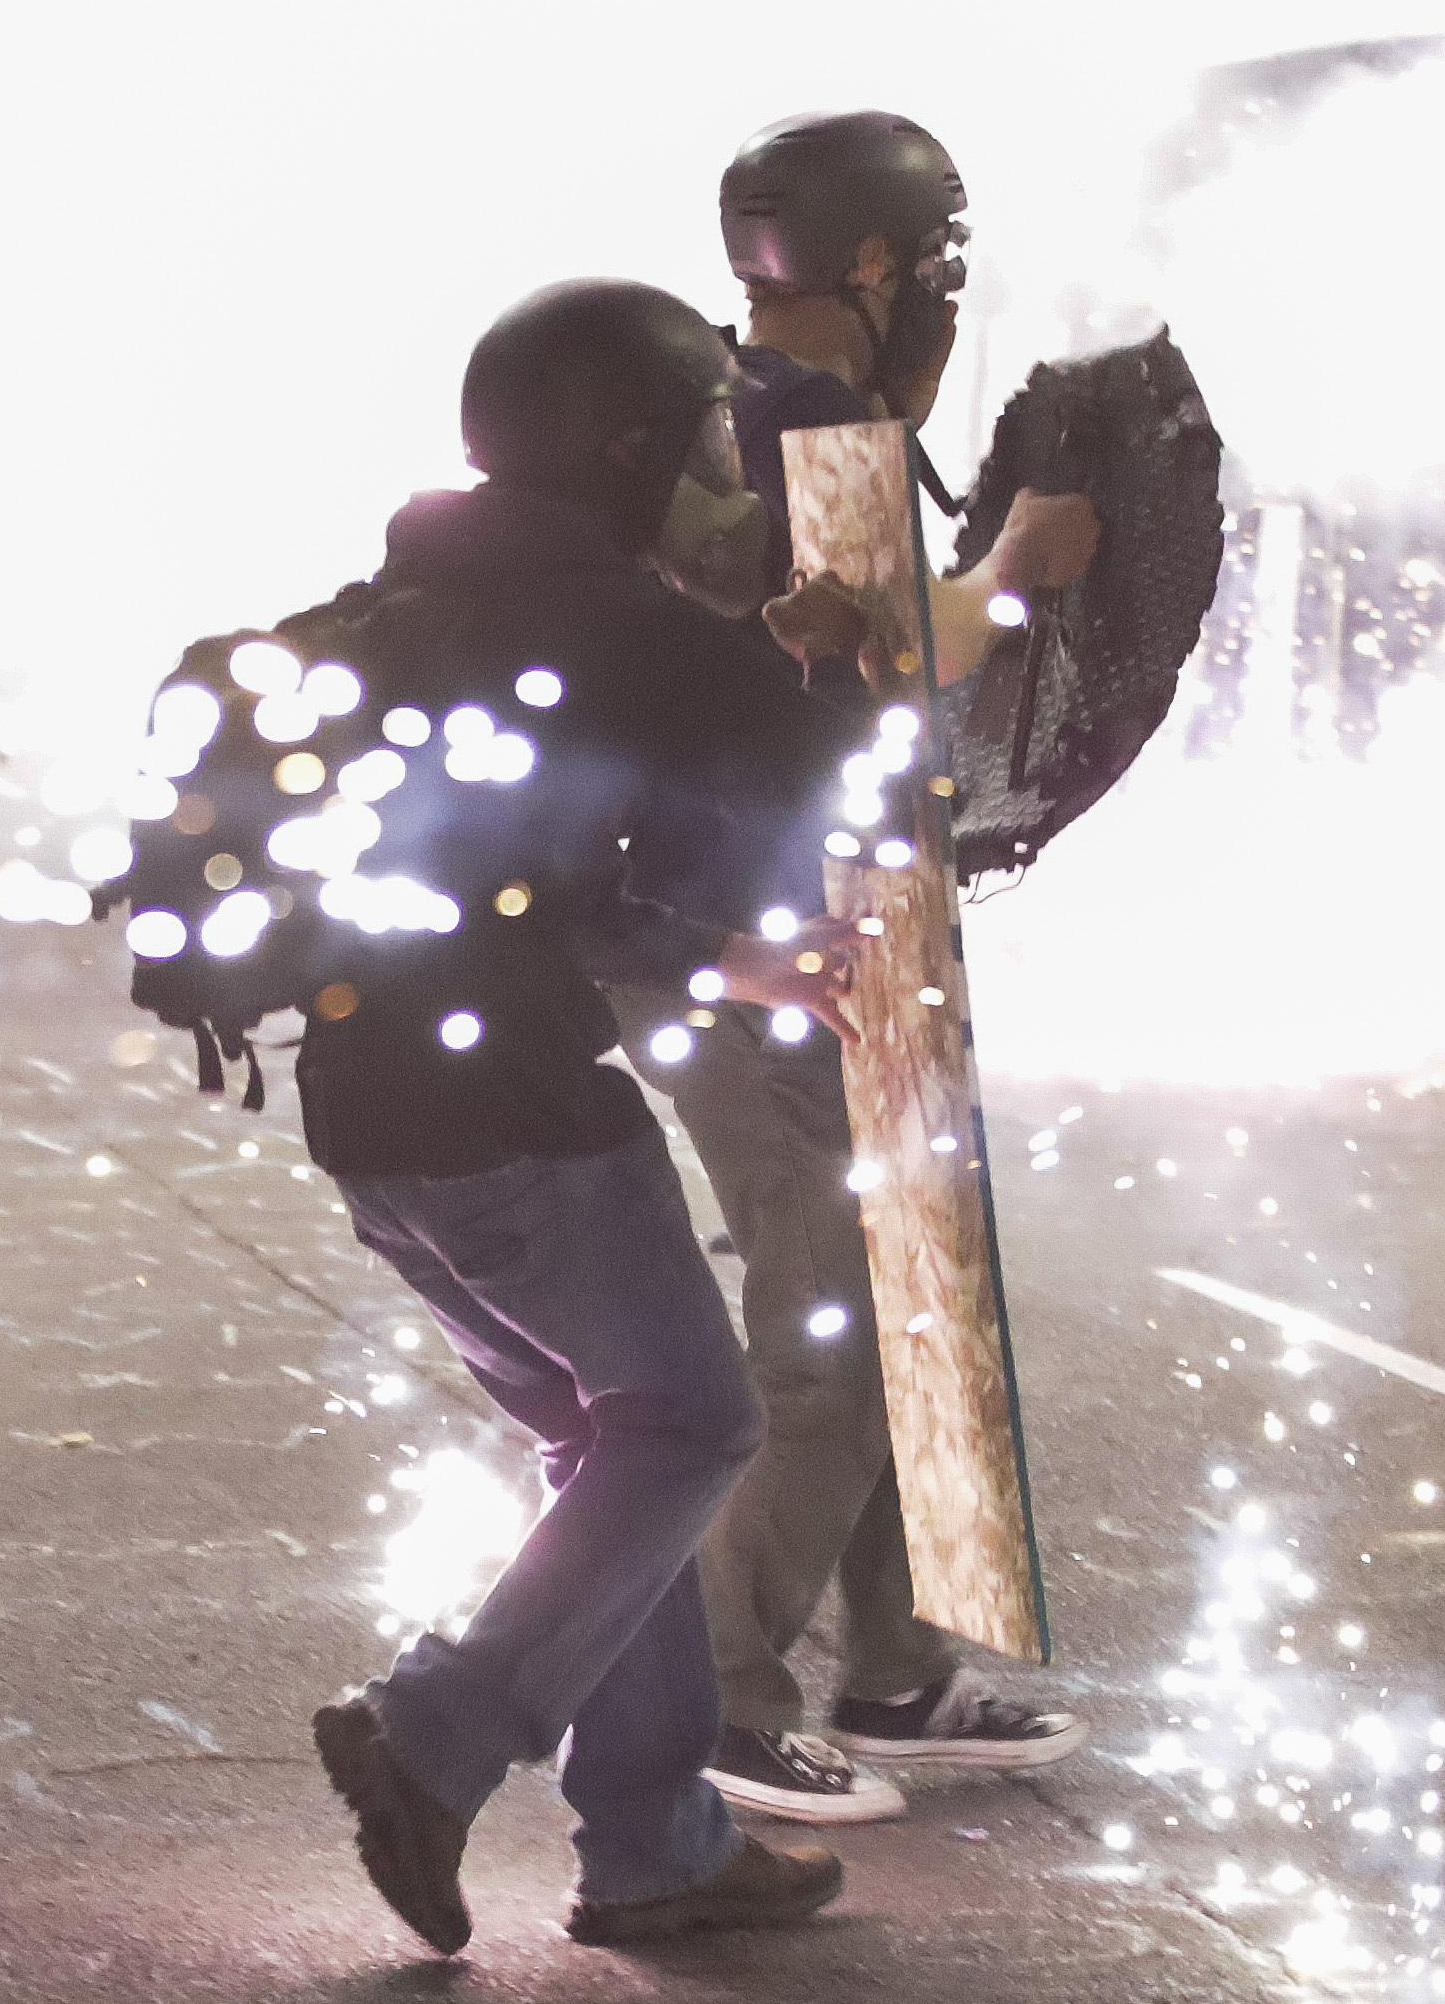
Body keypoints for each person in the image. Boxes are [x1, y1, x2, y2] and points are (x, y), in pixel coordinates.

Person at [296, 277, 871, 1956]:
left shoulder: (416, 595)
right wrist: (850, 645)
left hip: (371, 1108)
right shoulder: (604, 617)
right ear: (623, 446)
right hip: (517, 1113)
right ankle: (434, 1730)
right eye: (702, 434)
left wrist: (720, 961)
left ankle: (654, 1839)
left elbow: (515, 883)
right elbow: (840, 774)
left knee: (606, 1436)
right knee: (690, 1426)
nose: (718, 467)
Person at [610, 109, 1097, 1826]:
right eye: (933, 264)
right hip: (769, 941)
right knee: (843, 1318)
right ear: (879, 268)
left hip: (842, 915)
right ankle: (716, 1697)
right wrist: (1027, 560)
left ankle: (897, 1663)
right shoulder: (806, 419)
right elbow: (895, 658)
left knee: (919, 1302)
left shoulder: (729, 413)